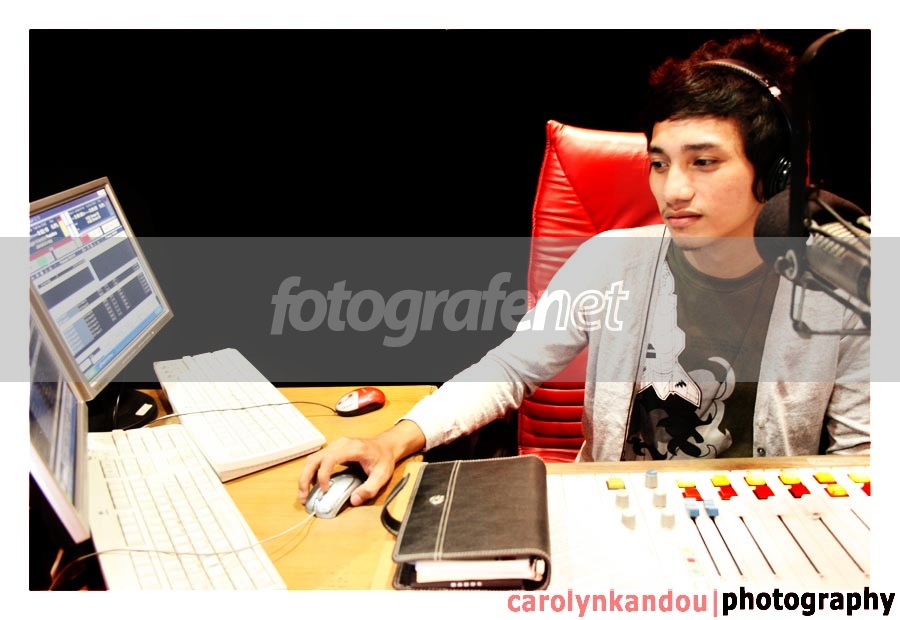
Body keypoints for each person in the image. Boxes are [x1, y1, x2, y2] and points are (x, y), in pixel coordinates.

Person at [298, 32, 870, 508]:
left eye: (703, 161)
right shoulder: (610, 259)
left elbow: (862, 459)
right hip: (613, 513)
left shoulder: (845, 289)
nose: (673, 190)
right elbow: (510, 368)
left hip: (768, 528)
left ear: (776, 173)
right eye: (659, 163)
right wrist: (394, 440)